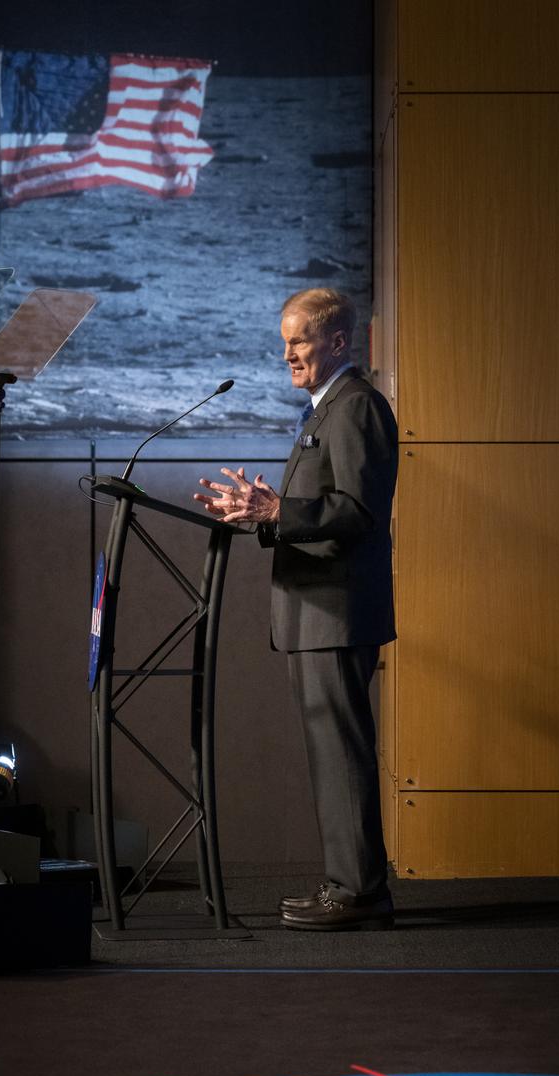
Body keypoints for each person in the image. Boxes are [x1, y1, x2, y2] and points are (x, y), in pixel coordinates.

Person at [194, 287, 398, 930]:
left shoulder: (356, 406)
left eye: (299, 340)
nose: (287, 354)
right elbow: (319, 510)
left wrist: (281, 510)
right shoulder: (324, 409)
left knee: (342, 754)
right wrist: (262, 516)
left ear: (337, 341)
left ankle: (359, 892)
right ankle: (348, 882)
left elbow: (360, 512)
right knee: (331, 755)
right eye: (284, 342)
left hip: (335, 612)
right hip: (315, 612)